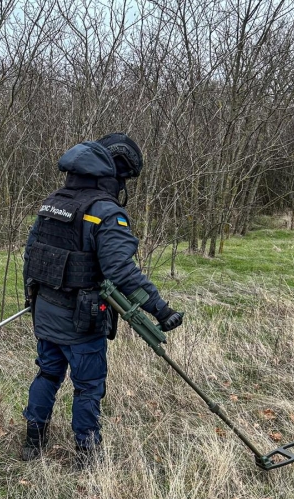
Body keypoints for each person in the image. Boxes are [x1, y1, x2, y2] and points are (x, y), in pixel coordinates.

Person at [20, 133, 183, 463]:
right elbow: (122, 270)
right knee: (88, 386)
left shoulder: (52, 202)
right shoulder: (106, 213)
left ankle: (32, 443)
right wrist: (160, 309)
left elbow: (30, 255)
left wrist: (31, 298)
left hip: (45, 311)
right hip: (82, 319)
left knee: (47, 375)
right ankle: (86, 453)